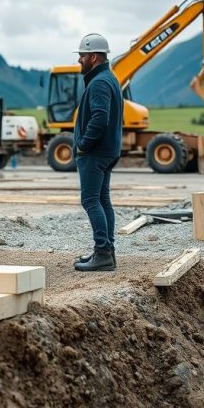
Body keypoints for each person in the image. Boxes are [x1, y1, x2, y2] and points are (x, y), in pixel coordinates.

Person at [72, 33, 124, 272]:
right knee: (102, 199)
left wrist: (83, 143)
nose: (79, 60)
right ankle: (107, 251)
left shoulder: (100, 82)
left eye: (82, 55)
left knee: (91, 200)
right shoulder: (108, 78)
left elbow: (100, 117)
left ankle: (103, 252)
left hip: (95, 153)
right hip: (106, 151)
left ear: (93, 57)